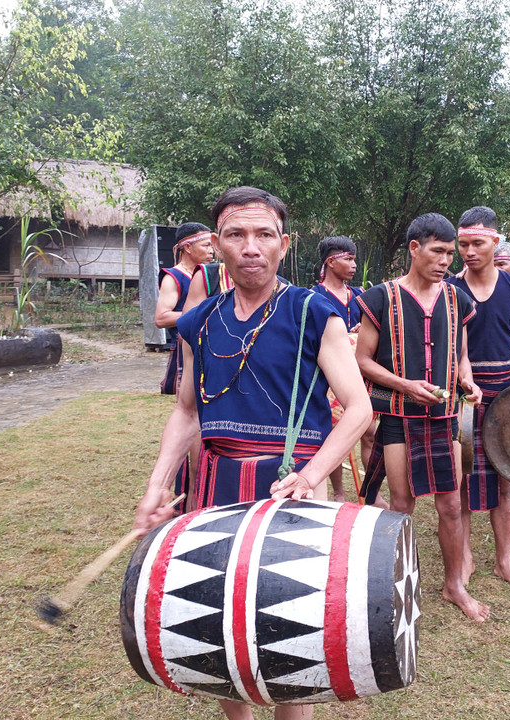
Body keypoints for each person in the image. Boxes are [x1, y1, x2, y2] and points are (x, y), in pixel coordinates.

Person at [135, 187, 371, 720]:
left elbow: (357, 410)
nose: (251, 247)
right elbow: (188, 412)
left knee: (288, 636)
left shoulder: (315, 312)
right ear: (216, 245)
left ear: (283, 245)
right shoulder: (199, 321)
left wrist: (311, 476)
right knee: (219, 629)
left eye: (264, 234)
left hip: (289, 489)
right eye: (236, 235)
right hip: (214, 487)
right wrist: (158, 482)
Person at [355, 212, 489, 622]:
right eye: (439, 251)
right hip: (398, 415)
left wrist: (467, 380)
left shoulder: (458, 299)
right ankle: (396, 588)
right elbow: (361, 360)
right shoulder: (380, 298)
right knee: (402, 503)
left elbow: (460, 354)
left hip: (446, 415)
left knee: (450, 505)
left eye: (451, 253)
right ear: (414, 249)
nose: (447, 260)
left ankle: (454, 586)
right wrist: (404, 384)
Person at [447, 206, 510, 595]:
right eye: (463, 244)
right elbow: (450, 345)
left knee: (505, 480)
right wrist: (459, 372)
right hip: (464, 394)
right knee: (465, 478)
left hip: (506, 392)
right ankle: (466, 555)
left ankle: (505, 561)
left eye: (478, 243)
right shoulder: (451, 289)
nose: (469, 251)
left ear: (496, 242)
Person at [311, 236, 367, 501]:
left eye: (354, 258)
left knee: (368, 430)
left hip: (360, 375)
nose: (353, 264)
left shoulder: (360, 297)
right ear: (331, 262)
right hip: (327, 377)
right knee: (333, 433)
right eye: (348, 258)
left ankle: (370, 490)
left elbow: (375, 333)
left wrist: (363, 330)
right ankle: (339, 491)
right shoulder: (312, 298)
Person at [156, 222, 215, 395]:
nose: (211, 250)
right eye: (206, 245)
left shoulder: (210, 274)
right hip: (185, 347)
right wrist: (202, 313)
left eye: (212, 246)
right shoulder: (173, 277)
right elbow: (161, 318)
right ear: (188, 247)